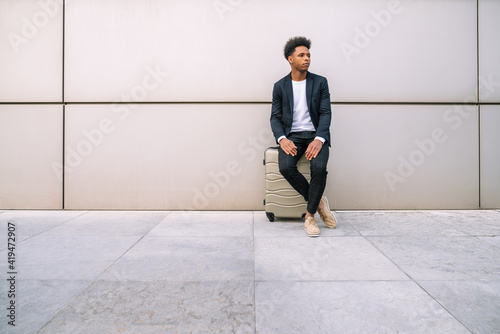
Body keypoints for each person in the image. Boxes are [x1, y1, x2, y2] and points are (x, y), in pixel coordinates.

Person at [270, 36, 336, 237]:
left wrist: (319, 139)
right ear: (291, 59)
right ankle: (320, 204)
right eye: (301, 55)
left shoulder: (320, 82)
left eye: (308, 55)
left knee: (319, 168)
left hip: (316, 135)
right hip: (293, 137)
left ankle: (309, 217)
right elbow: (275, 117)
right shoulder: (280, 86)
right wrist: (282, 139)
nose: (306, 58)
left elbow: (325, 113)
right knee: (286, 167)